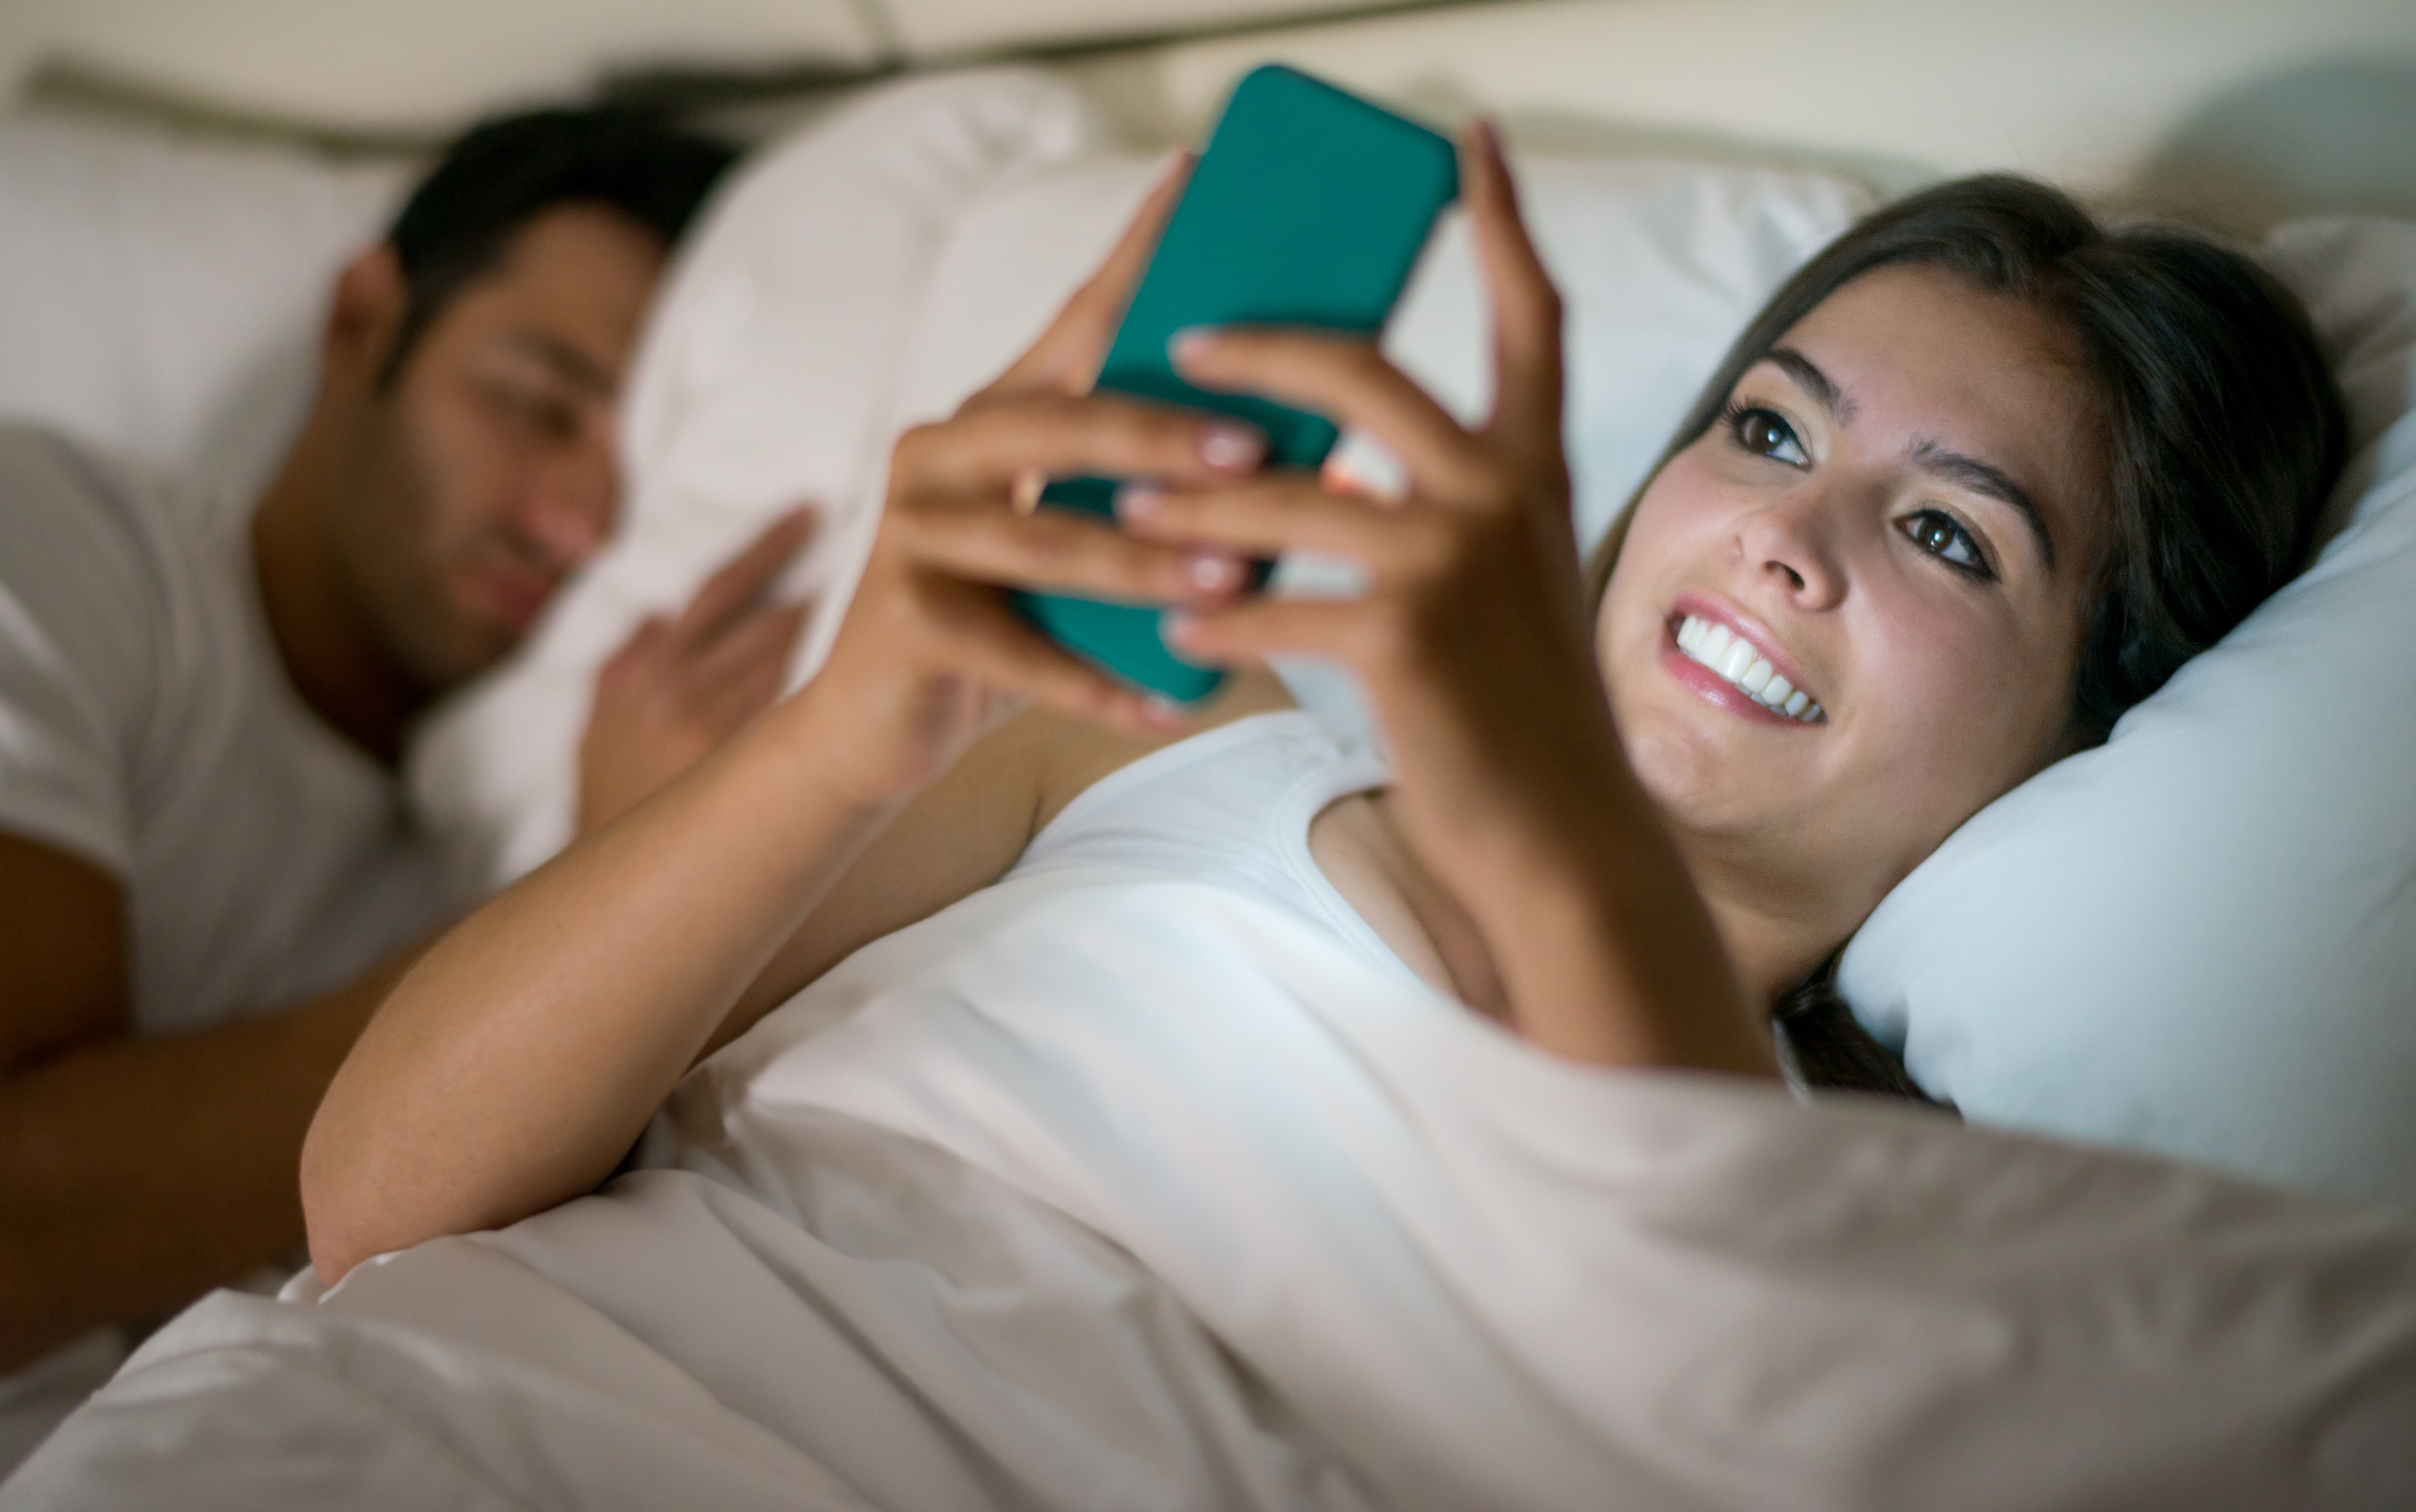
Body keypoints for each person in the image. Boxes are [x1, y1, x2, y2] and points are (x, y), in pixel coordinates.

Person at [300, 123, 2346, 1295]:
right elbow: (373, 1203)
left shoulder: (1886, 1231)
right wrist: (851, 722)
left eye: (1953, 538)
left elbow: (1712, 1355)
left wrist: (1542, 816)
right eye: (1766, 427)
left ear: (2100, 727)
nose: (1789, 537)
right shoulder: (1137, 717)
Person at [0, 107, 813, 1425]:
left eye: (630, 475)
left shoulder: (487, 795)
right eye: (536, 400)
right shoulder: (61, 552)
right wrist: (596, 901)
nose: (574, 519)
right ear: (361, 322)